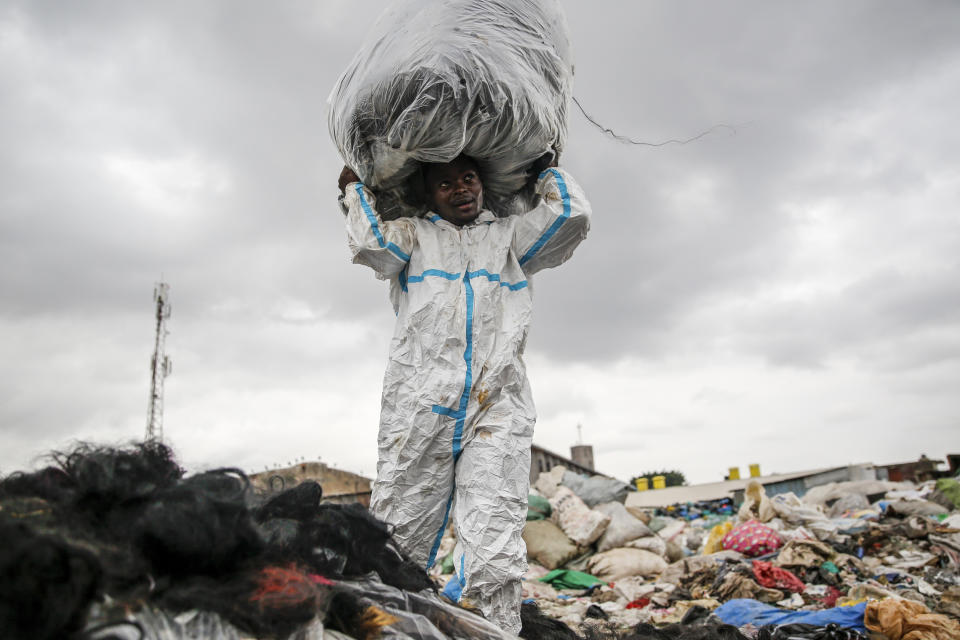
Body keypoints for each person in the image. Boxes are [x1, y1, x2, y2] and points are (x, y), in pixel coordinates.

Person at [337, 152, 590, 633]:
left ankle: (495, 631)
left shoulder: (509, 237)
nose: (461, 189)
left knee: (495, 539)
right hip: (420, 407)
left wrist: (546, 175)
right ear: (429, 194)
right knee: (397, 536)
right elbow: (372, 245)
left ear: (482, 183)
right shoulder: (416, 237)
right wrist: (353, 192)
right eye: (446, 183)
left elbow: (569, 218)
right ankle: (391, 631)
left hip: (496, 405)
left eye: (468, 179)